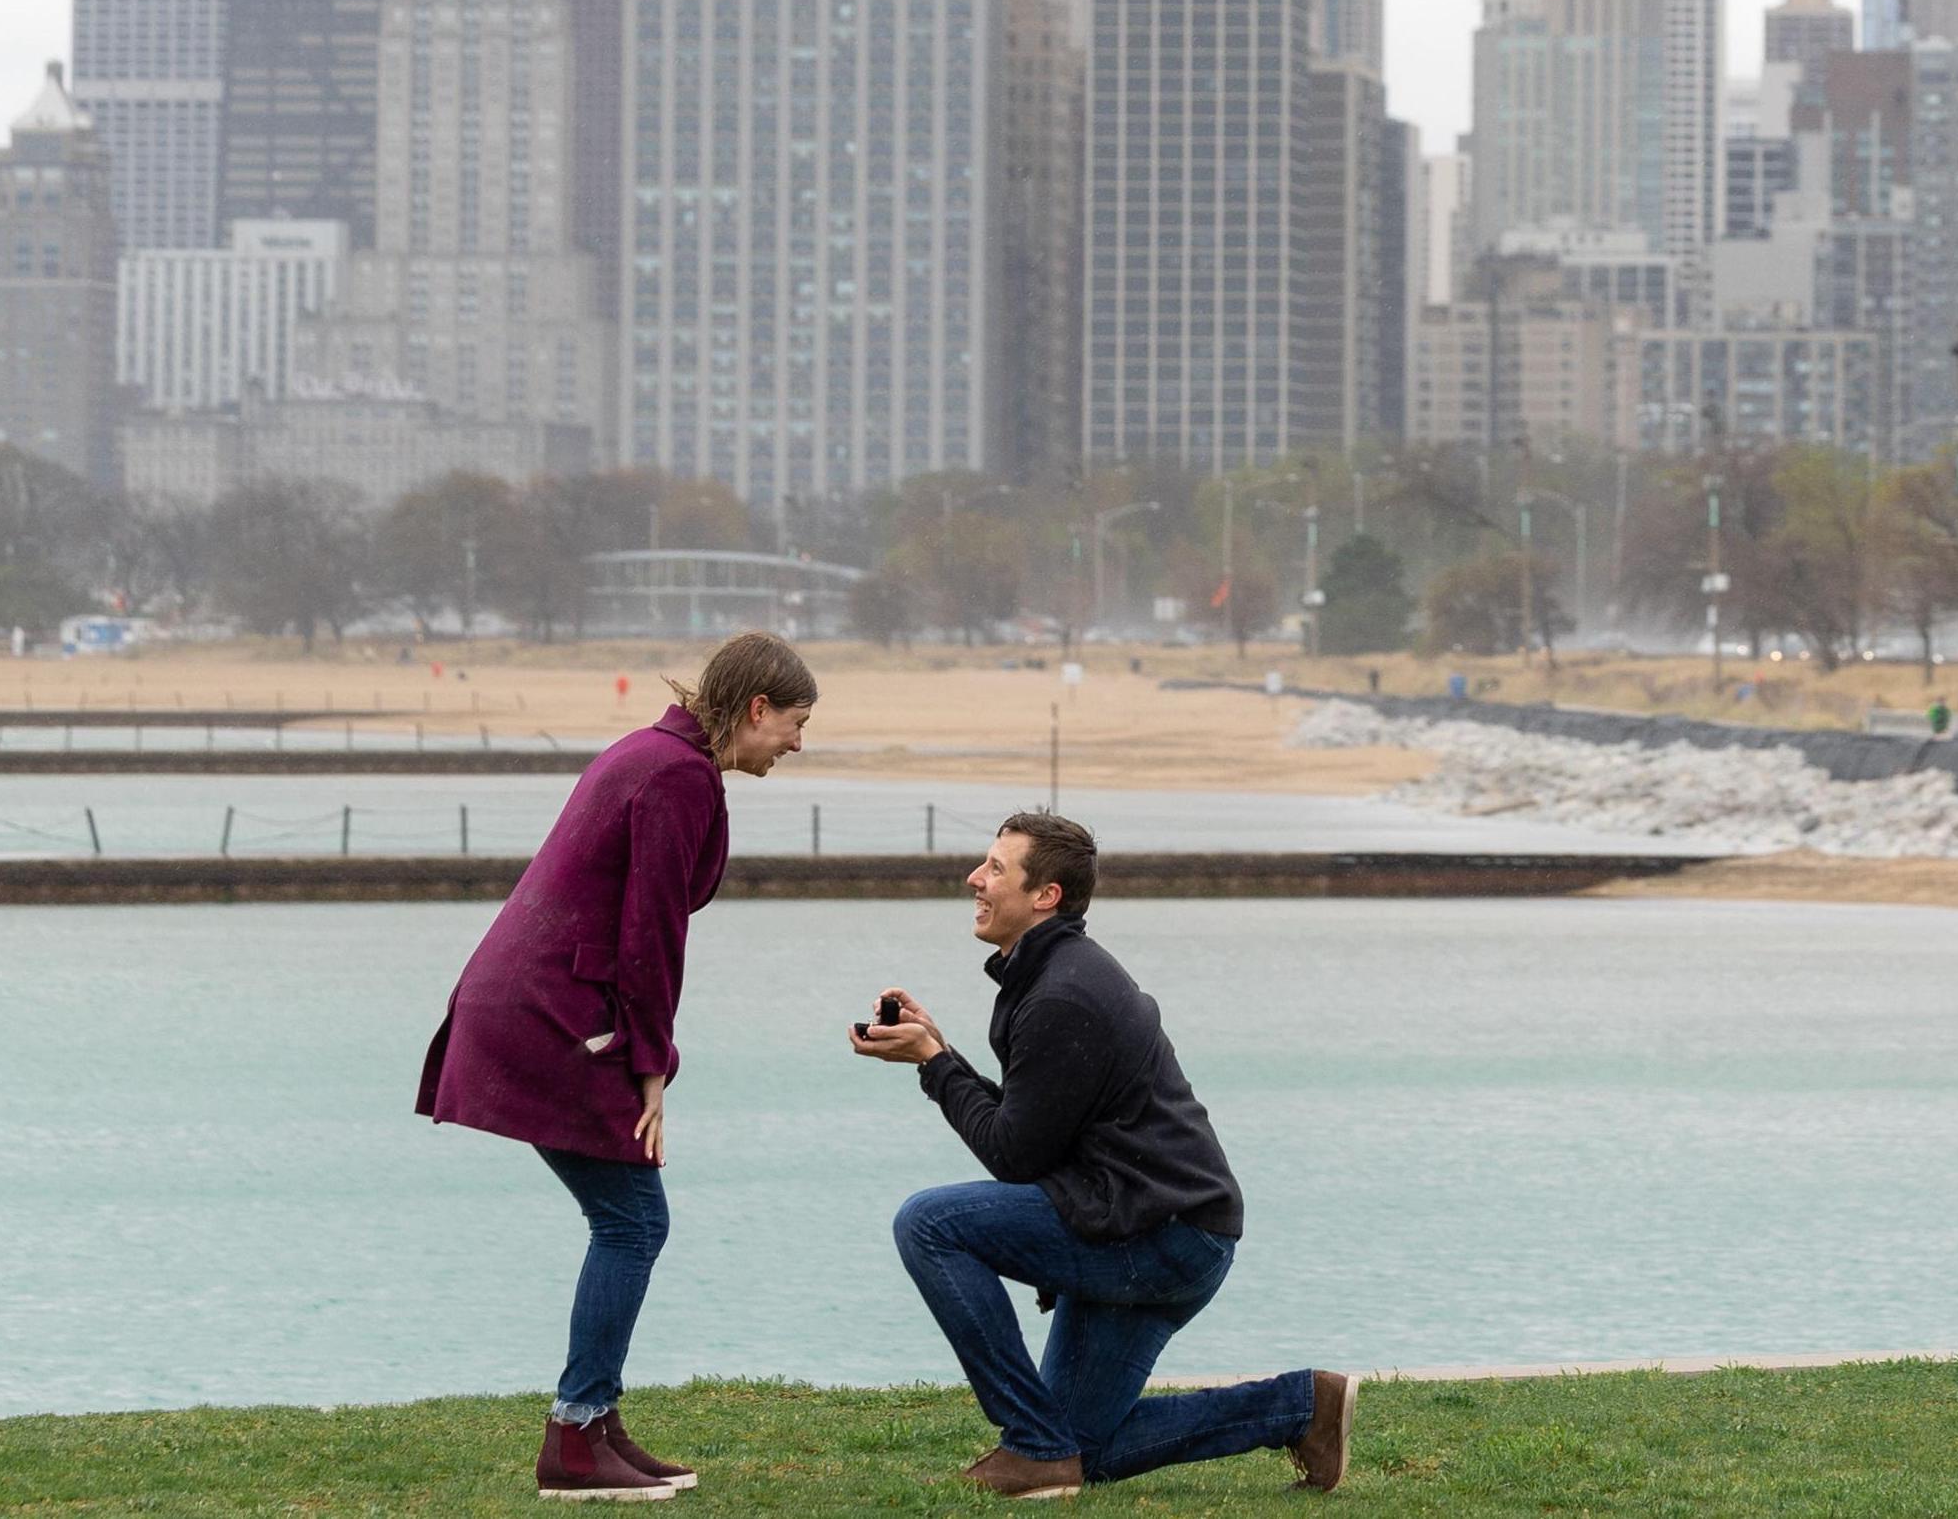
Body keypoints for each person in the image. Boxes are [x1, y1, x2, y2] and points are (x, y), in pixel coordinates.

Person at [851, 812, 1355, 1499]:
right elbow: (1037, 1129)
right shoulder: (1052, 975)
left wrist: (935, 1063)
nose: (975, 877)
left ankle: (1029, 1442)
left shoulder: (1062, 993)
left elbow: (1014, 1155)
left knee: (929, 1223)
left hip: (1162, 1237)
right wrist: (937, 1047)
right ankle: (1303, 1408)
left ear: (1045, 896)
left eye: (996, 868)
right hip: (1154, 1224)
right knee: (1083, 1448)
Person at [419, 630, 817, 1501]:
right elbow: (651, 933)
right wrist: (653, 1063)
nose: (798, 742)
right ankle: (575, 1432)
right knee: (633, 1223)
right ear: (755, 710)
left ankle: (594, 1422)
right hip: (551, 1015)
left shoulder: (653, 751)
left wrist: (644, 1049)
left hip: (532, 1002)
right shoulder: (679, 774)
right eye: (794, 722)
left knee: (629, 1220)